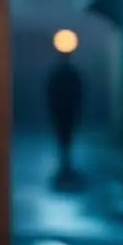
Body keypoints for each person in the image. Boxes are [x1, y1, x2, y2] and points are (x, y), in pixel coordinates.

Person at [46, 50, 84, 185]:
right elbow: (79, 93)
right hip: (67, 112)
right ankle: (66, 163)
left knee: (63, 138)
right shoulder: (72, 74)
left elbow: (50, 94)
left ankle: (64, 164)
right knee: (67, 137)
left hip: (62, 112)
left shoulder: (57, 75)